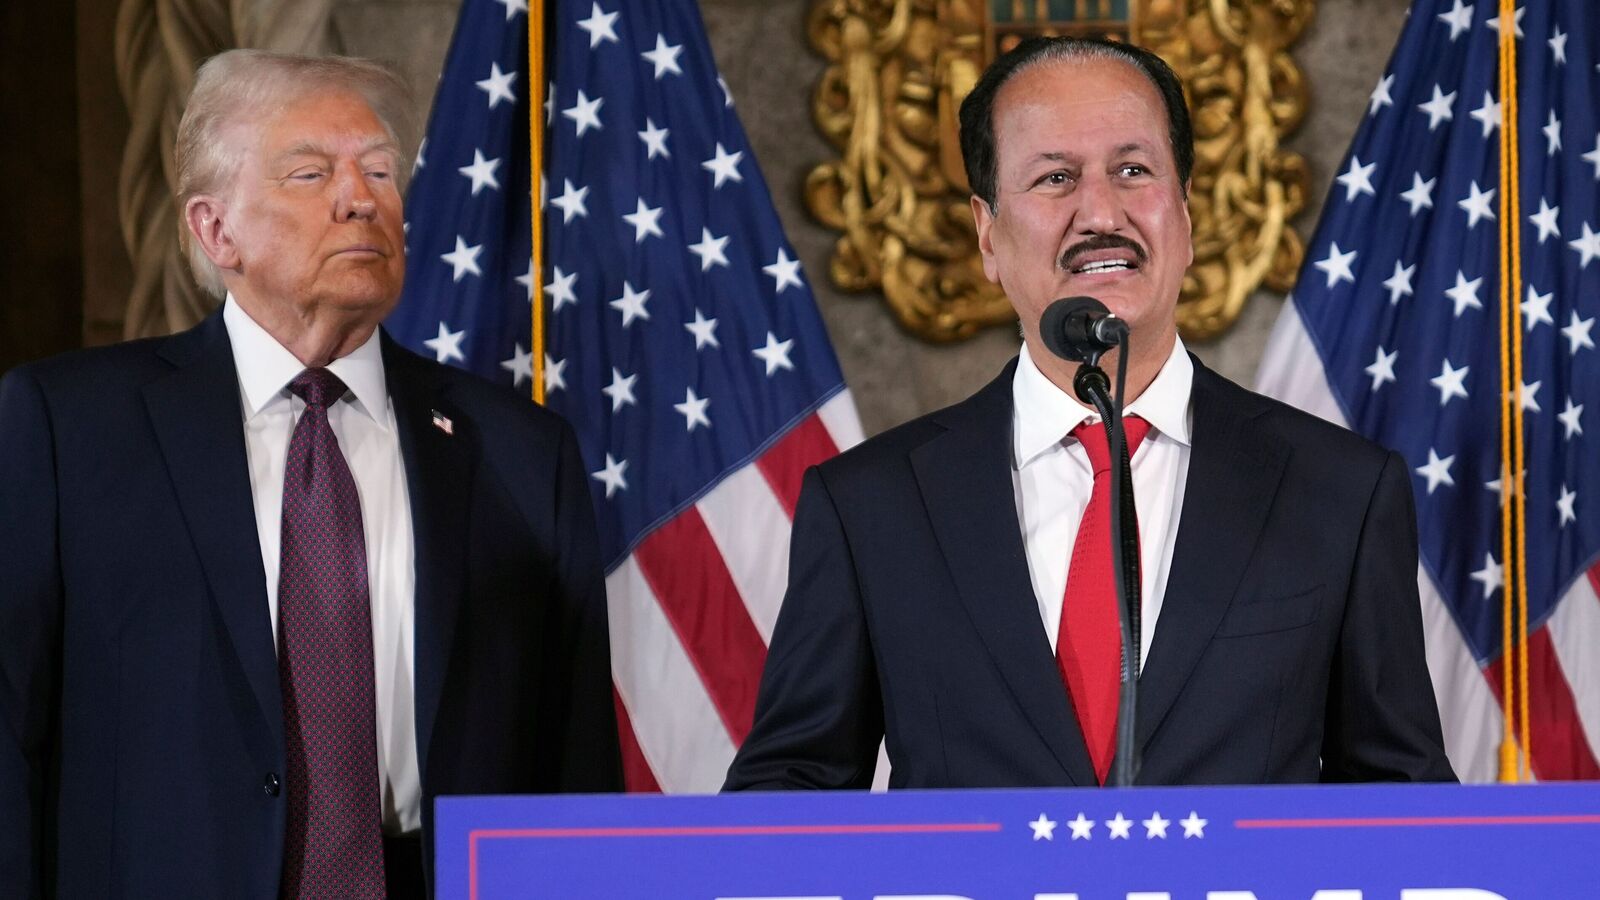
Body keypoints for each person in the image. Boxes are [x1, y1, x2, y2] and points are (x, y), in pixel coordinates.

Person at [724, 36, 1454, 791]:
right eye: (1055, 178)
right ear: (988, 235)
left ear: (1186, 211)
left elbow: (1401, 802)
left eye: (1133, 171)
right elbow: (789, 793)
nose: (1101, 211)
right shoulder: (869, 506)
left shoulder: (1340, 491)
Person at [0, 50, 621, 899]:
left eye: (378, 171)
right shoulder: (69, 430)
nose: (360, 198)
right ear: (216, 231)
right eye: (310, 172)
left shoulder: (520, 449)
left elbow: (574, 770)